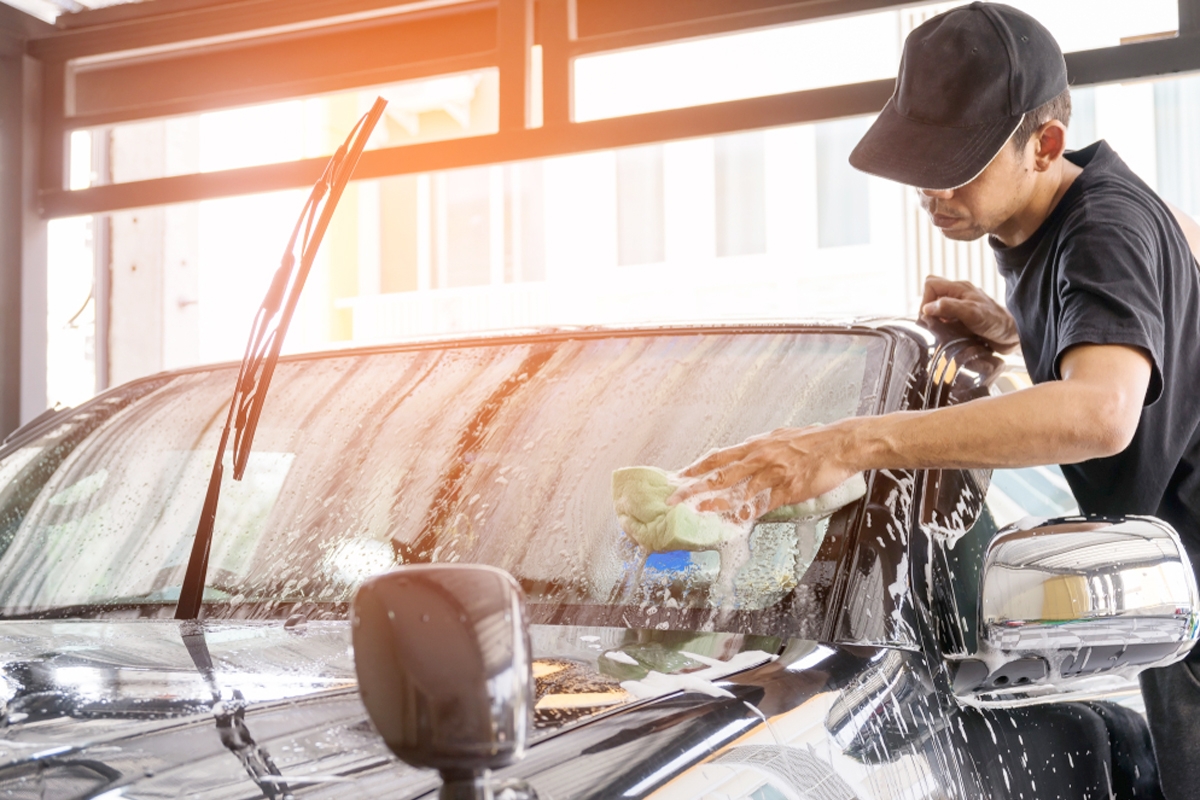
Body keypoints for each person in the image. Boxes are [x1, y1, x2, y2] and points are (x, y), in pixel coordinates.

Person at [668, 3, 1200, 797]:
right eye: (918, 159)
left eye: (956, 163)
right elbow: (1176, 282)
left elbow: (1102, 415)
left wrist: (850, 443)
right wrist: (1028, 340)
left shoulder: (1104, 227)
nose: (928, 188)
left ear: (1043, 144)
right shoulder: (1066, 220)